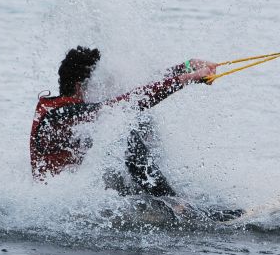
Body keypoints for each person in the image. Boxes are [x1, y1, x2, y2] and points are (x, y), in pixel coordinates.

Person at [30, 46, 217, 199]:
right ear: (80, 86)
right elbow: (131, 101)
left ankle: (161, 198)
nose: (107, 86)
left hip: (85, 189)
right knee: (122, 133)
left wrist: (186, 67)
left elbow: (140, 86)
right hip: (61, 201)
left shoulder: (76, 106)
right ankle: (174, 204)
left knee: (138, 122)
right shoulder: (60, 114)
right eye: (100, 82)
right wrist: (189, 79)